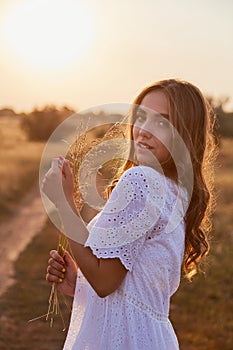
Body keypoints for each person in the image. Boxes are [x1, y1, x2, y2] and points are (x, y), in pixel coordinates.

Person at [42, 79, 216, 349]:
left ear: (185, 134)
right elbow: (132, 288)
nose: (143, 131)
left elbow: (104, 282)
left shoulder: (141, 181)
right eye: (141, 117)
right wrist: (78, 283)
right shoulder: (176, 192)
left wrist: (64, 204)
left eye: (162, 123)